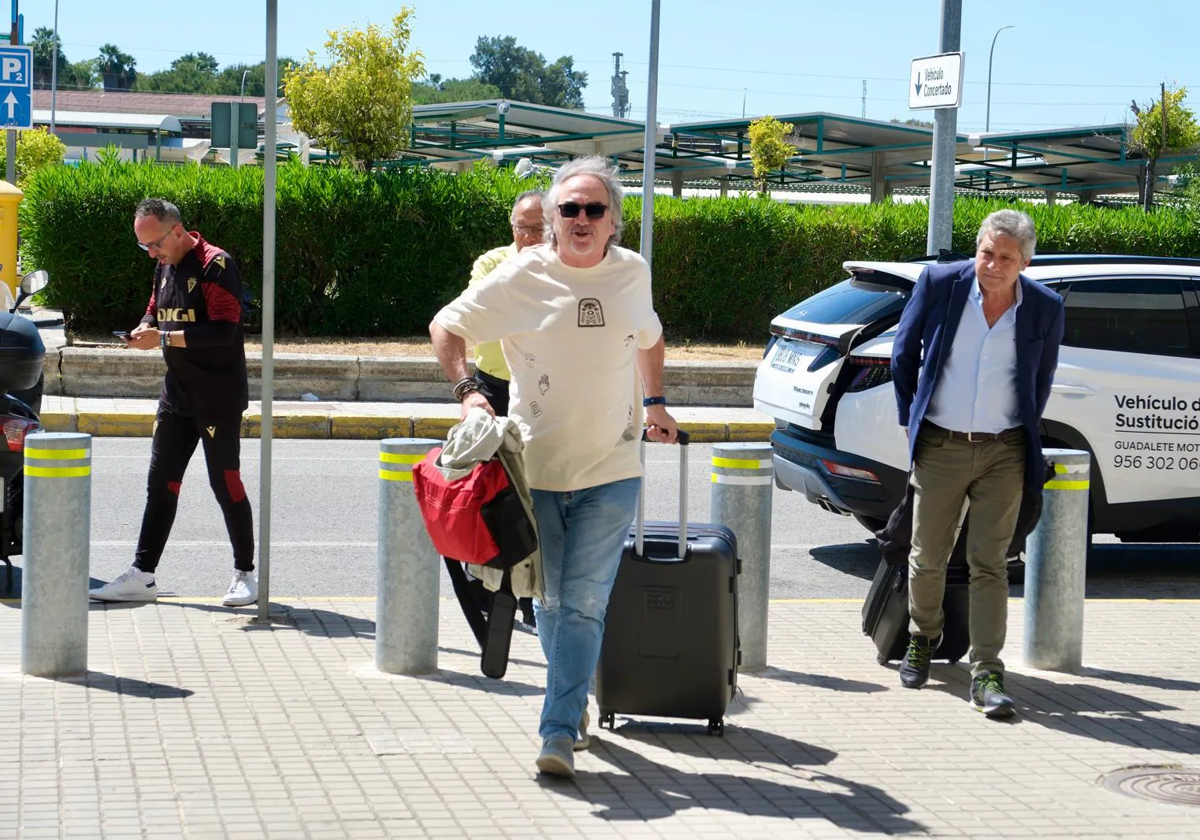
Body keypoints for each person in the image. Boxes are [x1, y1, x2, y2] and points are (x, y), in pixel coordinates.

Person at [430, 156, 679, 778]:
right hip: (534, 471)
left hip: (613, 469)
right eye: (570, 209)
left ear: (614, 220)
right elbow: (445, 326)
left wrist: (655, 403)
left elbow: (648, 337)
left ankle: (559, 730)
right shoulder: (521, 277)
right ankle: (572, 702)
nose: (582, 219)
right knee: (548, 599)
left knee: (584, 602)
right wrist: (468, 393)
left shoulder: (632, 273)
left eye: (595, 209)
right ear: (551, 218)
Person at [891, 209, 1064, 718]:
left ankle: (986, 669)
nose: (992, 264)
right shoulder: (941, 283)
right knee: (929, 553)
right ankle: (922, 637)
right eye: (987, 252)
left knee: (991, 562)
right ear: (978, 248)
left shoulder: (1044, 307)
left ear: (1025, 262)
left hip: (1004, 450)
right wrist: (909, 419)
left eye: (1005, 258)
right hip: (941, 443)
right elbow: (904, 353)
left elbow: (1042, 379)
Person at [89, 199, 256, 608]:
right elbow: (155, 310)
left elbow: (224, 330)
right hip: (176, 394)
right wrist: (143, 327)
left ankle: (247, 574)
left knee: (225, 483)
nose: (150, 253)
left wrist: (161, 338)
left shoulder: (216, 265)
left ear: (177, 231)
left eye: (154, 244)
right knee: (160, 484)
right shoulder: (164, 265)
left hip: (217, 396)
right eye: (143, 246)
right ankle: (142, 575)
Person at [464, 190, 545, 628]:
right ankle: (485, 589)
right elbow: (483, 311)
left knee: (536, 496)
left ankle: (531, 595)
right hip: (493, 388)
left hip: (541, 392)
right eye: (522, 227)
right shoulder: (491, 263)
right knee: (490, 493)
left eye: (539, 228)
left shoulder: (565, 268)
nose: (530, 237)